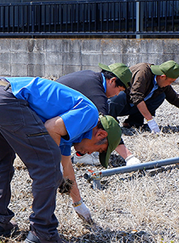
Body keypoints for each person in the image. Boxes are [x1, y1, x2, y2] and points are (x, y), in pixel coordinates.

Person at [0, 77, 121, 243]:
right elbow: (50, 128)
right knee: (47, 164)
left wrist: (78, 203)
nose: (89, 154)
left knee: (2, 159)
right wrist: (52, 167)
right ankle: (43, 233)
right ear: (101, 135)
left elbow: (66, 167)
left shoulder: (70, 130)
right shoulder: (90, 114)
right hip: (6, 100)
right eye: (100, 150)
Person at [56, 63, 139, 224]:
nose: (117, 95)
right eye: (119, 90)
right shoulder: (98, 96)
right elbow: (106, 129)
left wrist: (78, 203)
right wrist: (128, 157)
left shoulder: (90, 76)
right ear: (112, 81)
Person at [108, 60, 179, 133]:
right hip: (118, 103)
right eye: (170, 81)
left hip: (131, 106)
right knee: (119, 95)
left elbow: (175, 99)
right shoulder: (143, 72)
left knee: (160, 96)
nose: (170, 84)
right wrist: (150, 120)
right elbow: (136, 96)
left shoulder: (162, 83)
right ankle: (110, 124)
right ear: (162, 76)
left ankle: (133, 123)